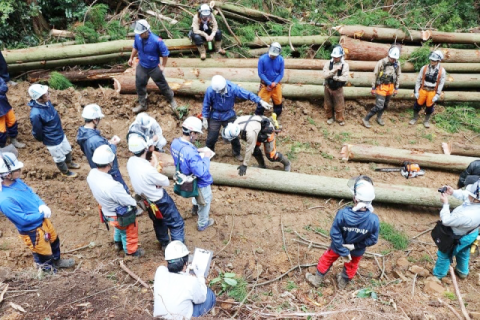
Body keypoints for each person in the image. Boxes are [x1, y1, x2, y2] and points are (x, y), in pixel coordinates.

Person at [0, 153, 75, 271]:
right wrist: (41, 214)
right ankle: (49, 273)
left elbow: (30, 192)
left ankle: (57, 261)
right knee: (43, 253)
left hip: (42, 220)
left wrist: (41, 205)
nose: (20, 170)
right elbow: (23, 221)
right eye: (17, 169)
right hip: (32, 231)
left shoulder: (17, 181)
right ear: (7, 175)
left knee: (54, 240)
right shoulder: (5, 200)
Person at [305, 176, 379, 289]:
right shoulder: (373, 220)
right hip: (356, 250)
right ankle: (343, 283)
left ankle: (317, 279)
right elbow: (373, 239)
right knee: (352, 264)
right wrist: (356, 246)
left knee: (327, 258)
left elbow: (335, 233)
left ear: (355, 198)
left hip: (337, 246)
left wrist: (341, 248)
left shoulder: (342, 214)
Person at [127, 134, 185, 251]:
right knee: (176, 223)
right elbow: (165, 181)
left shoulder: (131, 162)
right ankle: (177, 250)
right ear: (145, 149)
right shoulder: (148, 170)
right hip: (160, 199)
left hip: (147, 200)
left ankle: (164, 243)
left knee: (159, 221)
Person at [86, 145, 144, 257]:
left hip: (106, 210)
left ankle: (118, 243)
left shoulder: (92, 174)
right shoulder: (113, 186)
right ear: (110, 163)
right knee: (129, 230)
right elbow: (127, 201)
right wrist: (135, 203)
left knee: (118, 228)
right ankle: (131, 252)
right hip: (118, 215)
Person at [202, 75, 272, 161]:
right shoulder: (211, 90)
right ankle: (209, 153)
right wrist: (205, 117)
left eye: (220, 91)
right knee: (211, 137)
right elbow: (206, 104)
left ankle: (236, 152)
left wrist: (260, 101)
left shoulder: (233, 88)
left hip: (228, 114)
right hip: (215, 115)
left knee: (234, 135)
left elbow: (248, 94)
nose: (219, 92)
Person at [171, 117, 214, 231]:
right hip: (199, 181)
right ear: (191, 133)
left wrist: (196, 151)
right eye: (197, 134)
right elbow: (201, 171)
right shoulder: (190, 152)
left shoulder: (175, 143)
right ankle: (202, 223)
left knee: (196, 195)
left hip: (185, 177)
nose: (197, 137)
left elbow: (184, 155)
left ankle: (195, 208)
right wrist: (206, 157)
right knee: (205, 202)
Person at [153, 241, 216, 319]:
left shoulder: (160, 271)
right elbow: (201, 298)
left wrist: (185, 271)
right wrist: (200, 276)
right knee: (209, 294)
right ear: (186, 263)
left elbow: (175, 276)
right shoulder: (191, 281)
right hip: (180, 317)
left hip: (160, 317)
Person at [28, 84, 80, 178]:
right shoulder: (35, 114)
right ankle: (65, 172)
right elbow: (37, 130)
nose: (48, 94)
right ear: (39, 98)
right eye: (45, 94)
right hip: (51, 139)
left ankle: (69, 163)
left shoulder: (47, 102)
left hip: (59, 133)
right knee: (58, 157)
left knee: (67, 148)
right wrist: (45, 139)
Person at [128, 19, 178, 114]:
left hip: (154, 67)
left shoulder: (157, 41)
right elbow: (135, 47)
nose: (140, 35)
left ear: (147, 31)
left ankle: (171, 99)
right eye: (139, 33)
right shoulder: (138, 37)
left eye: (141, 33)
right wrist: (131, 58)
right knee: (139, 84)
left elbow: (165, 54)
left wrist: (163, 66)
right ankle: (142, 104)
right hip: (142, 65)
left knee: (162, 85)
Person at [77, 103, 129, 192]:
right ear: (94, 120)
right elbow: (108, 156)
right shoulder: (95, 140)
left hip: (97, 168)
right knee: (121, 191)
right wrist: (113, 145)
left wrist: (107, 143)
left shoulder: (83, 133)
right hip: (109, 171)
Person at [433, 181, 480, 279]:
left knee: (445, 253)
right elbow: (466, 195)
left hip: (459, 236)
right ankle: (462, 272)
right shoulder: (475, 201)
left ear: (476, 199)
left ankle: (438, 275)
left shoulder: (469, 216)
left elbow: (446, 220)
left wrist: (445, 204)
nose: (468, 195)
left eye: (471, 194)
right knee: (463, 251)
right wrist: (453, 192)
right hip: (471, 234)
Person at [221, 116, 291, 176]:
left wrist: (244, 165)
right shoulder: (236, 122)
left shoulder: (250, 134)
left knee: (271, 156)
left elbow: (249, 148)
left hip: (266, 131)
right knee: (255, 151)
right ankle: (262, 166)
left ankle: (287, 163)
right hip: (257, 131)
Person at [363, 46, 401, 128]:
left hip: (391, 87)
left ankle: (379, 117)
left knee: (385, 105)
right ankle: (366, 119)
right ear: (389, 55)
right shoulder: (381, 62)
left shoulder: (397, 64)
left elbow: (398, 75)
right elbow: (375, 75)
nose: (393, 60)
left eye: (395, 59)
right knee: (379, 105)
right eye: (392, 58)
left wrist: (396, 88)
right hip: (381, 86)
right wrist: (373, 87)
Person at [410, 50, 446, 128]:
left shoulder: (441, 71)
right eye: (431, 60)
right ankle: (414, 118)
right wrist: (416, 91)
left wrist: (437, 94)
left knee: (429, 107)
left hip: (432, 91)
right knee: (417, 104)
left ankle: (426, 121)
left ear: (438, 61)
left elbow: (441, 83)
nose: (432, 61)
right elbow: (418, 80)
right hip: (423, 89)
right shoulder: (424, 68)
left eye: (434, 60)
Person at [256, 42, 284, 122]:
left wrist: (274, 83)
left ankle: (276, 115)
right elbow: (260, 73)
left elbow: (281, 74)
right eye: (272, 55)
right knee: (261, 102)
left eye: (275, 56)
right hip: (265, 85)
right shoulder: (262, 59)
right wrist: (269, 83)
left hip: (276, 84)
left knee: (278, 101)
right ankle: (258, 117)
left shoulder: (281, 60)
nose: (273, 56)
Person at [323, 45, 349, 126]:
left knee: (339, 105)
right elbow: (325, 75)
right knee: (328, 104)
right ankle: (330, 117)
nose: (335, 58)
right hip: (328, 87)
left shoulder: (345, 65)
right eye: (334, 57)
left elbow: (345, 78)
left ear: (341, 56)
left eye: (337, 57)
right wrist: (334, 70)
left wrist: (335, 78)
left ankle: (339, 119)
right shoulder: (328, 64)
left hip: (338, 88)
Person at [0, 77, 25, 149]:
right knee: (1, 130)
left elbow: (4, 87)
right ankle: (2, 147)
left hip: (5, 105)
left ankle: (13, 139)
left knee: (12, 121)